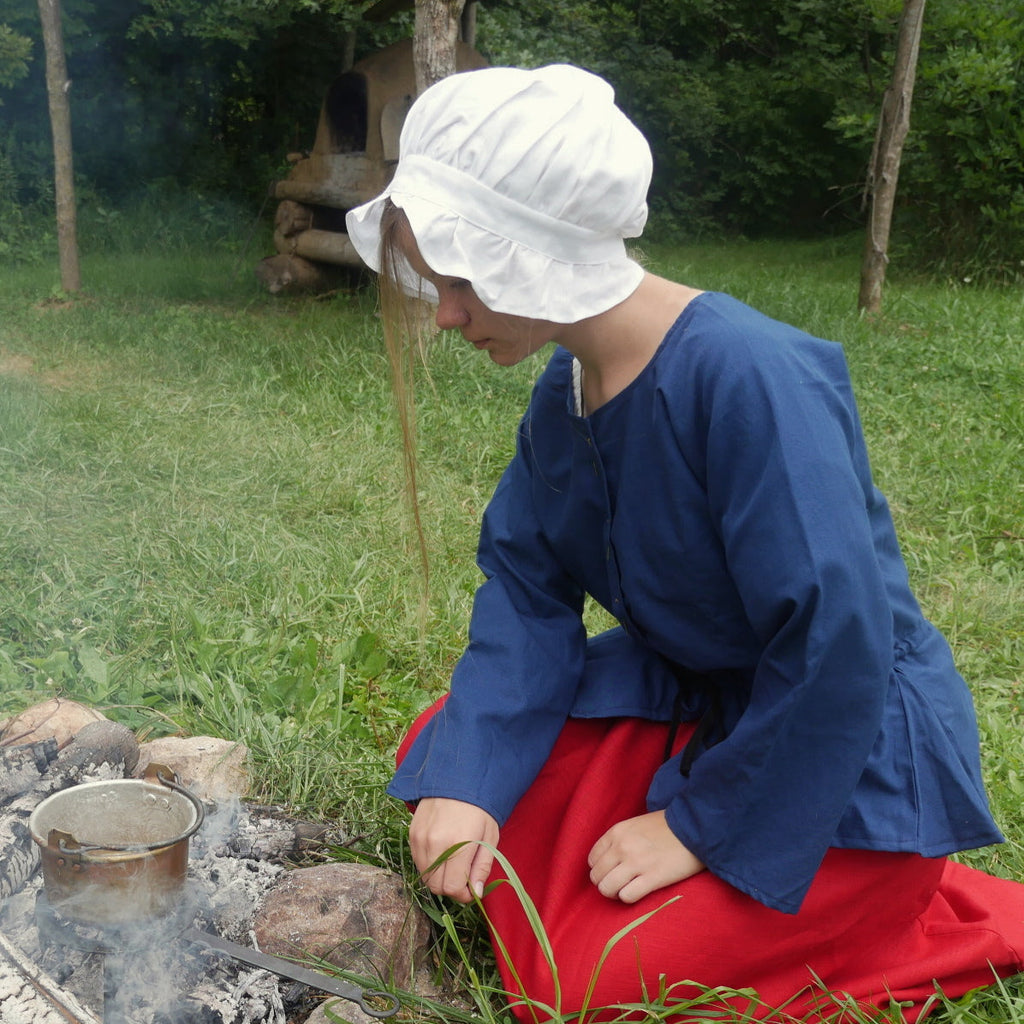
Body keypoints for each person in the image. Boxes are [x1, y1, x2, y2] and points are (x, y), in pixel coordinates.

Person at [345, 64, 1024, 1021]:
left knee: (584, 989)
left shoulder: (754, 378)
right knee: (445, 752)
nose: (447, 314)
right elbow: (527, 594)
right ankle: (655, 882)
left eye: (461, 280)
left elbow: (838, 645)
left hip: (835, 755)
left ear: (538, 252)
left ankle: (914, 911)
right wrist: (472, 781)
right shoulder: (564, 393)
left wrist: (699, 828)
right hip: (708, 713)